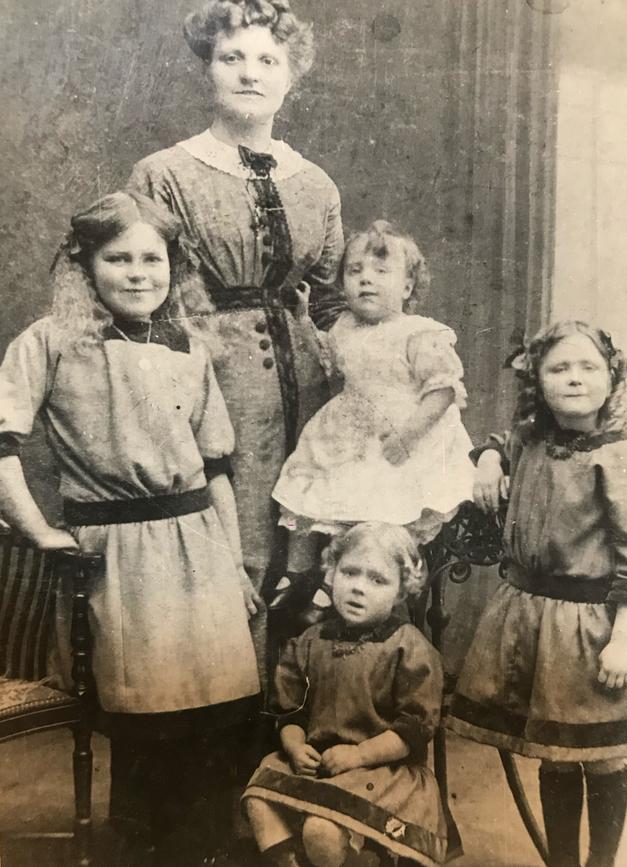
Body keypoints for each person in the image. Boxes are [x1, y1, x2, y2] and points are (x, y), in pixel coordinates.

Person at [0, 191, 262, 864]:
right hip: (115, 554)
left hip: (198, 545)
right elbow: (3, 444)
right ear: (85, 265)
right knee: (149, 719)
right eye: (119, 258)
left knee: (219, 714)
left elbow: (216, 468)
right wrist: (36, 530)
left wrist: (233, 564)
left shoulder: (187, 347)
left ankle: (204, 846)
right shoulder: (50, 342)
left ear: (174, 267)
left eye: (154, 258)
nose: (139, 272)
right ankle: (150, 845)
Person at [127, 0, 345, 646]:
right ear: (208, 70)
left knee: (302, 556)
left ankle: (288, 722)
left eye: (267, 60)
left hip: (307, 390)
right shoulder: (164, 174)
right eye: (232, 58)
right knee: (229, 544)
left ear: (290, 77)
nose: (250, 73)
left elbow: (333, 304)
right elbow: (141, 295)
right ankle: (226, 726)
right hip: (209, 379)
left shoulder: (317, 185)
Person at [446, 321, 627, 867]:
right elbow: (497, 442)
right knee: (555, 757)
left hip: (592, 626)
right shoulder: (528, 441)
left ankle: (601, 863)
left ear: (612, 379)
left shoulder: (619, 456)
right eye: (559, 368)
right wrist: (488, 459)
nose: (574, 379)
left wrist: (623, 639)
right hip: (531, 620)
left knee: (601, 758)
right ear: (537, 380)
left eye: (588, 368)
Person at [269, 220, 474, 614]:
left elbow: (443, 390)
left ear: (408, 288)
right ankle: (303, 575)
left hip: (397, 439)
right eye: (355, 271)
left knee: (376, 517)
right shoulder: (345, 325)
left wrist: (408, 436)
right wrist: (304, 320)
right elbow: (330, 361)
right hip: (349, 432)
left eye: (382, 272)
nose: (366, 281)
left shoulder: (418, 332)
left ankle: (366, 585)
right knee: (311, 494)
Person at [243, 522, 447, 867]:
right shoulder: (310, 641)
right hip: (319, 765)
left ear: (401, 591)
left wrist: (360, 755)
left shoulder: (408, 648)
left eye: (377, 580)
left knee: (321, 829)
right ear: (332, 573)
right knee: (257, 801)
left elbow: (413, 730)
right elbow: (289, 713)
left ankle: (351, 856)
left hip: (382, 770)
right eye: (349, 573)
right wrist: (295, 747)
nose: (358, 589)